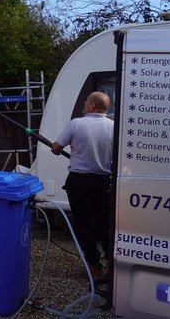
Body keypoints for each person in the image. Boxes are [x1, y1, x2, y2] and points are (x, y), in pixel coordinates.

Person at [51, 91, 114, 283]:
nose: (84, 103)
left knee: (84, 224)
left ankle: (94, 268)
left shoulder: (76, 123)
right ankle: (112, 266)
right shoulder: (114, 126)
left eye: (86, 101)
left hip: (80, 182)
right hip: (104, 182)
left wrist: (58, 147)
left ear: (92, 106)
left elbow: (56, 147)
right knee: (104, 224)